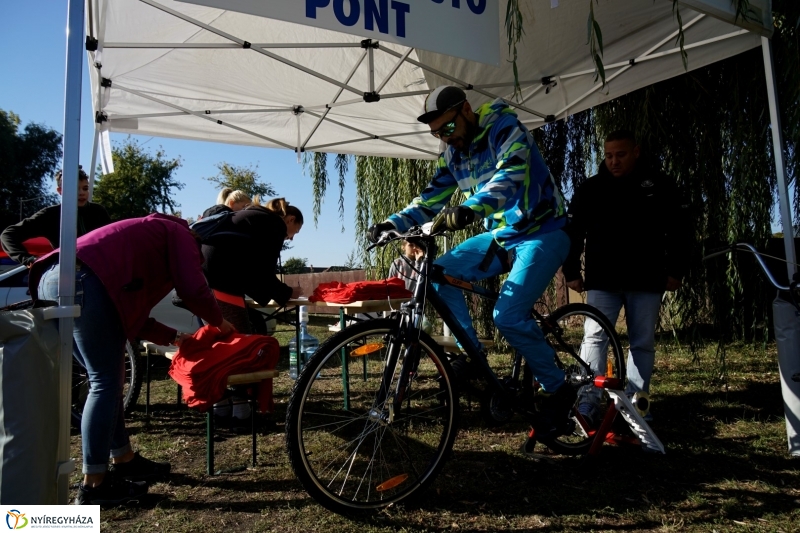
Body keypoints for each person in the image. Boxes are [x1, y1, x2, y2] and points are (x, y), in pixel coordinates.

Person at [368, 85, 573, 438]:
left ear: (465, 110)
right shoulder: (453, 153)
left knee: (506, 316)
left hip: (545, 231)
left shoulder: (505, 128)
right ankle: (472, 354)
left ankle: (559, 388)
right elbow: (430, 199)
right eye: (436, 134)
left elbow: (510, 175)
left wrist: (468, 209)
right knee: (437, 273)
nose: (445, 139)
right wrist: (393, 223)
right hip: (503, 236)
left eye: (447, 129)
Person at [30, 213, 235, 505]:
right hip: (82, 280)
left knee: (104, 378)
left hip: (54, 278)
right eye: (198, 258)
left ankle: (123, 459)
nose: (197, 262)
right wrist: (218, 322)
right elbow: (193, 287)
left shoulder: (144, 242)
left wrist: (175, 336)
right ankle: (94, 487)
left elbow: (130, 313)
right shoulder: (180, 234)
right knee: (105, 382)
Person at [562, 129, 691, 425]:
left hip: (646, 279)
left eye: (620, 155)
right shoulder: (590, 189)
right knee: (594, 337)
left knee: (642, 342)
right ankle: (588, 401)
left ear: (635, 152)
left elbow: (680, 230)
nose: (614, 161)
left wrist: (676, 270)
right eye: (608, 156)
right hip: (602, 279)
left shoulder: (660, 185)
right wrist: (571, 271)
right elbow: (573, 232)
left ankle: (635, 404)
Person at [201, 197, 304, 333]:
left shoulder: (257, 216)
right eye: (295, 231)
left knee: (223, 336)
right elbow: (263, 273)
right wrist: (289, 292)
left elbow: (252, 268)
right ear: (290, 219)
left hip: (205, 272)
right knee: (238, 338)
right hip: (219, 276)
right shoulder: (275, 225)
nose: (291, 238)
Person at [1, 166, 111, 267]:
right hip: (64, 274)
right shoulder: (50, 215)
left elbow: (113, 242)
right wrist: (28, 259)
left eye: (85, 188)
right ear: (60, 191)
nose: (81, 193)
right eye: (75, 188)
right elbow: (8, 235)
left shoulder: (98, 212)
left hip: (98, 272)